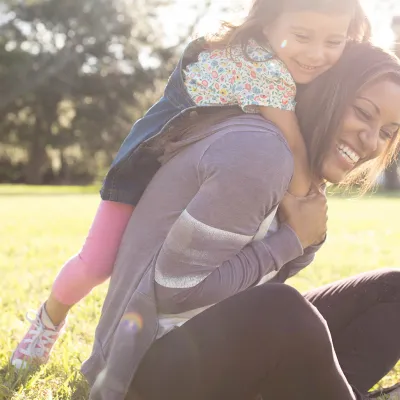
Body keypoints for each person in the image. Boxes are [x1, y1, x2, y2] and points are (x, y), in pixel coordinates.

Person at [11, 0, 370, 369]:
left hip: (199, 170)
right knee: (98, 262)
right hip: (147, 164)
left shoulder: (288, 66)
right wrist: (304, 200)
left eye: (334, 41)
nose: (317, 53)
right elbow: (293, 143)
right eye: (302, 36)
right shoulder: (263, 68)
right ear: (266, 26)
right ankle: (48, 322)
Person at [81, 41, 400, 400]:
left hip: (204, 344)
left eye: (388, 132)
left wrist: (302, 222)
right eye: (363, 112)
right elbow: (174, 291)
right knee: (282, 309)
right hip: (137, 372)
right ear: (329, 91)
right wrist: (292, 239)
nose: (372, 140)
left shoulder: (301, 178)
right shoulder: (260, 153)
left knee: (393, 290)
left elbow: (258, 284)